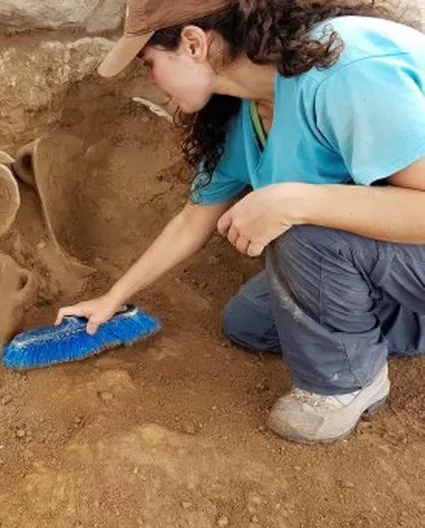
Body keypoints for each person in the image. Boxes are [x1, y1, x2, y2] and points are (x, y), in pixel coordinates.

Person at [56, 0, 425, 444]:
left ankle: (349, 383)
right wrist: (113, 298)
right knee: (249, 322)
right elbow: (194, 218)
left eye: (148, 64)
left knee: (300, 226)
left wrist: (295, 201)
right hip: (399, 258)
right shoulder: (250, 112)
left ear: (193, 43)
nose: (150, 83)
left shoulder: (347, 69)